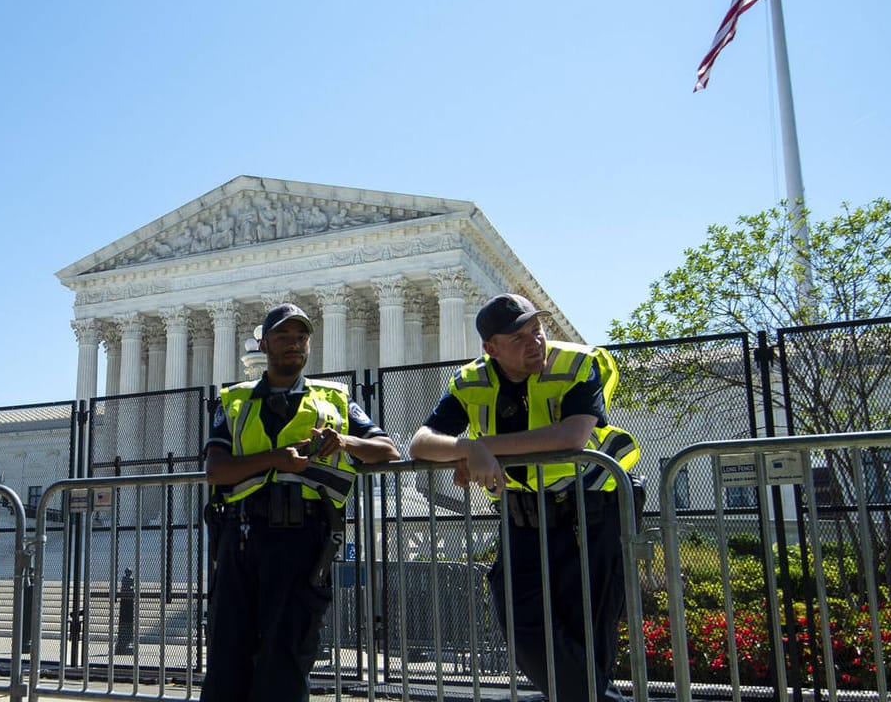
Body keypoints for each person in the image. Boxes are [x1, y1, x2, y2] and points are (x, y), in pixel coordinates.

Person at [409, 293, 640, 702]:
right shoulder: (470, 381)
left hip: (589, 518)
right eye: (518, 337)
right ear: (490, 348)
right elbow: (420, 443)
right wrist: (467, 447)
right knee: (524, 628)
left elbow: (571, 436)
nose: (534, 341)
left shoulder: (579, 365)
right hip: (520, 522)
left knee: (588, 640)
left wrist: (484, 447)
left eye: (537, 330)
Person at [201, 302, 399, 702]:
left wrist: (345, 441)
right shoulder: (235, 401)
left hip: (303, 540)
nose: (294, 344)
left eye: (301, 337)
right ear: (264, 344)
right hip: (241, 538)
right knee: (226, 656)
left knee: (287, 656)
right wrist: (275, 459)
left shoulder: (336, 399)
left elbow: (387, 450)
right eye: (283, 336)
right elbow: (216, 470)